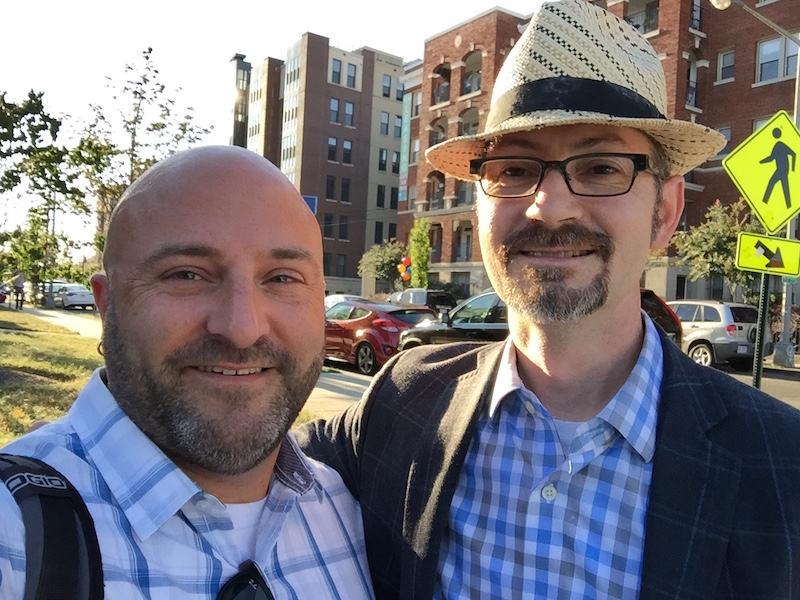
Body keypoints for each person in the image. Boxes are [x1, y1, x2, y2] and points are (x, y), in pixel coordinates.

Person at [296, 1, 800, 598]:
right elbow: (242, 454)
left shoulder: (782, 466)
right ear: (481, 205)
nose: (549, 205)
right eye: (513, 170)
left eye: (601, 167)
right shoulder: (406, 399)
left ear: (664, 212)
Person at [0, 146, 374, 599]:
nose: (241, 328)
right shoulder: (14, 528)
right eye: (186, 275)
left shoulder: (353, 511)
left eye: (282, 278)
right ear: (106, 304)